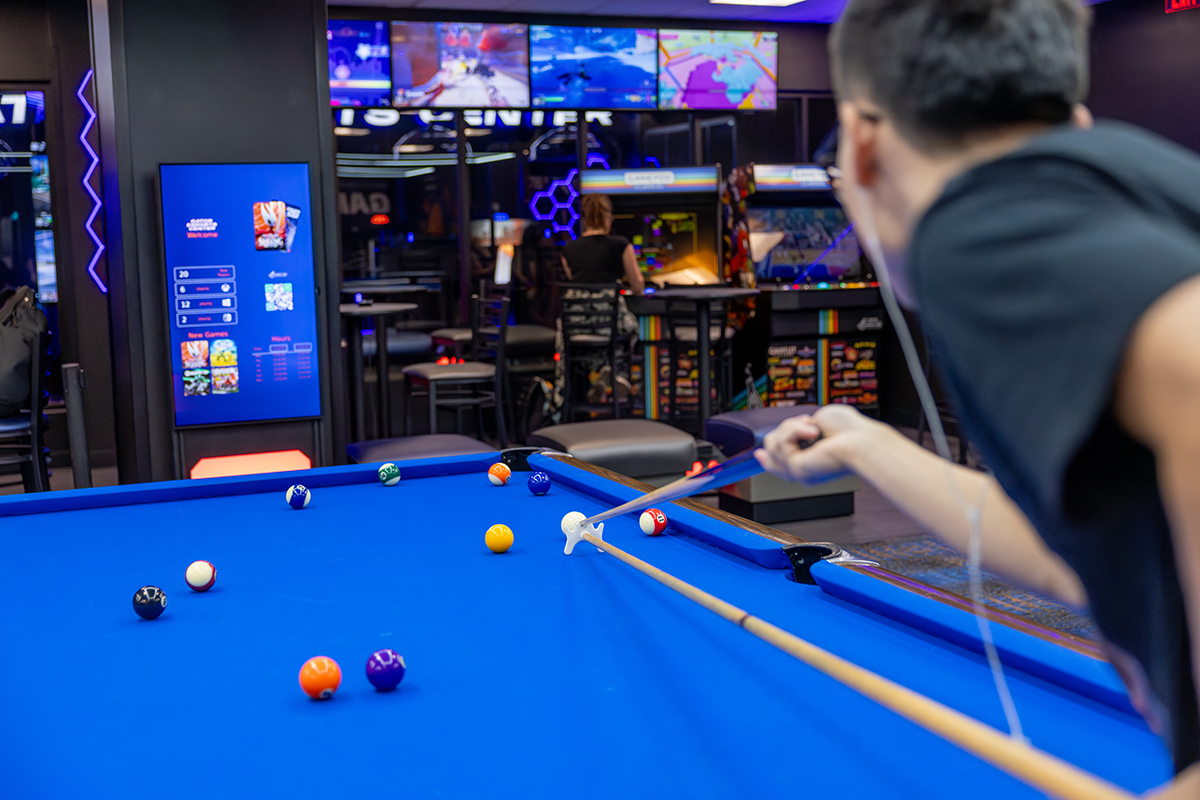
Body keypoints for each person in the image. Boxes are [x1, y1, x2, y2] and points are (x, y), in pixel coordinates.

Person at [754, 1, 1200, 795]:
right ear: (1075, 115)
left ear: (861, 141)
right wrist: (866, 443)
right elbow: (1081, 555)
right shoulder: (1132, 176)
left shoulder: (973, 225)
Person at [561, 194, 645, 294]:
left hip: (577, 307)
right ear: (608, 217)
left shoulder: (568, 248)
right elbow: (637, 284)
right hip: (610, 306)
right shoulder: (621, 244)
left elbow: (574, 280)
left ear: (584, 219)